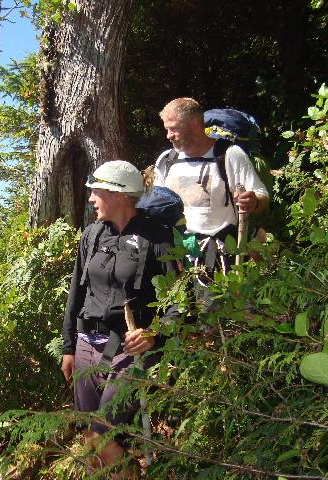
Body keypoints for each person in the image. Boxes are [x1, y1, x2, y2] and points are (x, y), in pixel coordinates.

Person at [61, 160, 179, 479]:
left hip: (130, 350)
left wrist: (154, 334)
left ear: (117, 194)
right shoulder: (91, 236)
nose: (91, 199)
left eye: (96, 191)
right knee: (89, 437)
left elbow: (181, 303)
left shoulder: (158, 238)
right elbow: (77, 293)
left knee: (104, 436)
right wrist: (68, 346)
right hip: (88, 345)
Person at [153, 98, 269, 280]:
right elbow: (157, 205)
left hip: (225, 254)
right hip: (181, 254)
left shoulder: (229, 155)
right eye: (166, 129)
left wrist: (253, 201)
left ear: (194, 124)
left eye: (173, 128)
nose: (168, 135)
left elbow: (262, 196)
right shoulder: (166, 160)